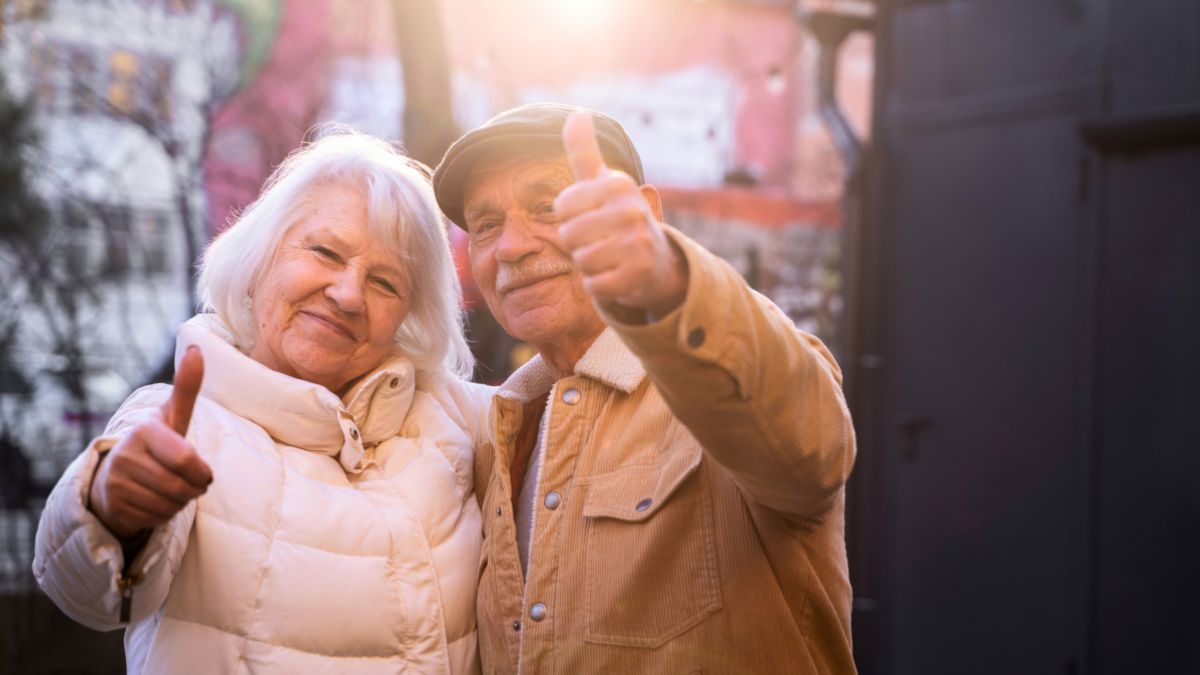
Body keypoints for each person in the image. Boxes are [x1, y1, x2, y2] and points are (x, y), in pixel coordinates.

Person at [34, 130, 492, 674]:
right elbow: (87, 592)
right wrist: (112, 508)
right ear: (258, 259)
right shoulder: (181, 421)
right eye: (325, 251)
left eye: (386, 283)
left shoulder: (455, 420)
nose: (348, 295)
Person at [431, 103, 857, 674]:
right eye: (485, 225)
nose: (511, 246)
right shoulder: (497, 433)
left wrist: (669, 284)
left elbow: (809, 441)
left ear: (647, 215)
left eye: (549, 207)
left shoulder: (718, 383)